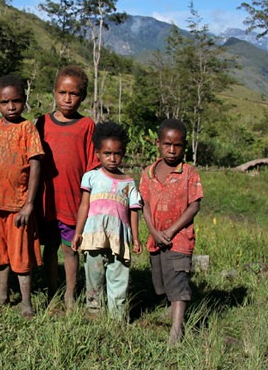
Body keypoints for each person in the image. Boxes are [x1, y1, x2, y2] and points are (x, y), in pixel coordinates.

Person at [0, 74, 44, 318]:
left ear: (24, 101)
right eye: (5, 102)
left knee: (21, 255)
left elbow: (35, 165)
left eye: (16, 101)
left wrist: (29, 204)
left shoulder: (28, 128)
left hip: (18, 205)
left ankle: (26, 301)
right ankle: (2, 294)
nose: (11, 107)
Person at [36, 65, 98, 310]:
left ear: (82, 97)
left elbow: (92, 167)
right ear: (54, 92)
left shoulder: (86, 125)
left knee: (71, 249)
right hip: (46, 199)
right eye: (62, 92)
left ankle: (70, 294)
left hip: (73, 201)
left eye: (74, 94)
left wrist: (88, 200)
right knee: (49, 248)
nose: (67, 98)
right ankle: (51, 289)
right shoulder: (42, 123)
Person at [139, 118, 203, 344]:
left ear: (184, 146)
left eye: (178, 145)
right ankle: (171, 308)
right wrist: (154, 231)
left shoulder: (189, 173)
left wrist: (173, 230)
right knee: (161, 283)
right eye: (167, 144)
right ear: (158, 143)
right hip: (156, 239)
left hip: (180, 239)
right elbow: (144, 203)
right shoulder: (148, 173)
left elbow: (194, 205)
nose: (172, 150)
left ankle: (176, 330)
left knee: (178, 281)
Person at [71, 121, 143, 320]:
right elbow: (84, 206)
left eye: (117, 154)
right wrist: (78, 233)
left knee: (118, 277)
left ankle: (117, 318)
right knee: (94, 276)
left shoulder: (129, 182)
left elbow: (134, 211)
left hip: (119, 237)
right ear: (97, 154)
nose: (112, 158)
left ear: (123, 154)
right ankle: (94, 313)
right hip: (94, 235)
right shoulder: (91, 177)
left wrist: (135, 238)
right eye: (107, 153)